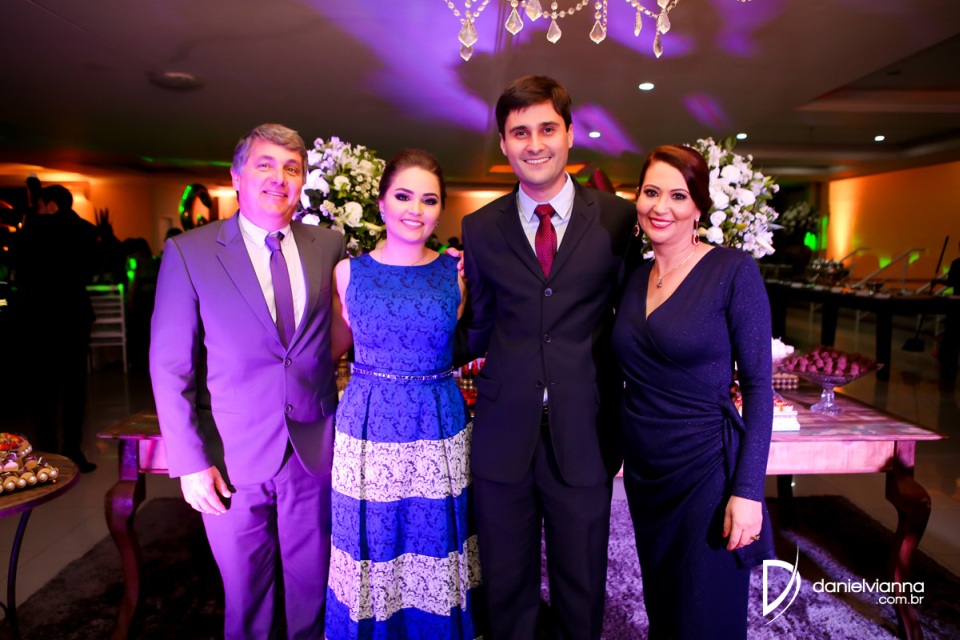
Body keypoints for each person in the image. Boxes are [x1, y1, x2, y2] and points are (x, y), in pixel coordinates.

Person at [149, 123, 347, 639]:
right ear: (237, 177)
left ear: (302, 182)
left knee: (316, 589)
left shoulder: (330, 245)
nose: (279, 178)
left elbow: (338, 331)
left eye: (292, 168)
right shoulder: (189, 252)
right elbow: (170, 366)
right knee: (245, 596)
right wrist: (190, 463)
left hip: (312, 451)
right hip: (230, 455)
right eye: (265, 165)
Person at [461, 75, 636, 639]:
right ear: (503, 143)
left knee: (581, 586)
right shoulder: (479, 228)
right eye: (519, 133)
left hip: (584, 428)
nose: (534, 144)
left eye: (546, 129)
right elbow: (478, 326)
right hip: (502, 430)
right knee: (505, 587)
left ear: (569, 134)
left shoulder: (618, 219)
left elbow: (632, 322)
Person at [612, 144, 775, 639]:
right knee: (664, 606)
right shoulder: (633, 278)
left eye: (678, 195)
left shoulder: (733, 271)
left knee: (704, 613)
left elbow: (758, 387)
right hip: (647, 474)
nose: (661, 206)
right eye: (651, 192)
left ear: (699, 207)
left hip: (706, 471)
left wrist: (748, 491)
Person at [325, 149, 478, 639]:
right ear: (382, 202)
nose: (416, 209)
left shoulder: (456, 274)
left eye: (429, 200)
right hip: (367, 426)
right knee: (371, 542)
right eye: (404, 196)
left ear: (441, 209)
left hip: (436, 424)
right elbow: (327, 348)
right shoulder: (347, 273)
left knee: (435, 540)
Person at [12, 184, 99, 472]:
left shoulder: (31, 231)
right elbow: (93, 267)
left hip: (39, 318)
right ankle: (73, 450)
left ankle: (47, 453)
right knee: (75, 388)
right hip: (74, 315)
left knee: (43, 390)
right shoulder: (84, 230)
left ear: (50, 204)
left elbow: (18, 268)